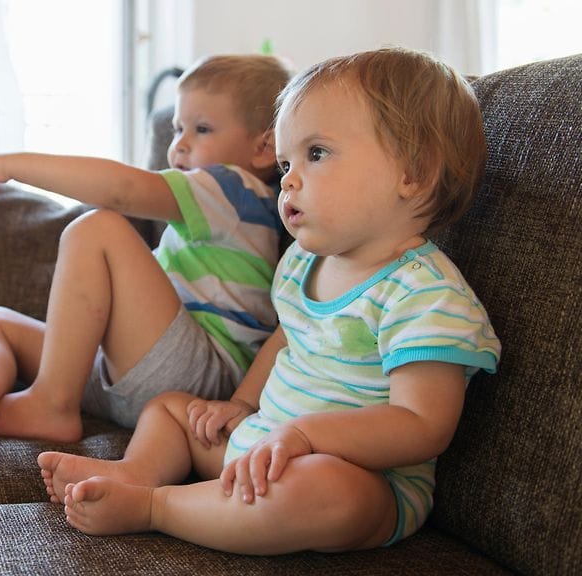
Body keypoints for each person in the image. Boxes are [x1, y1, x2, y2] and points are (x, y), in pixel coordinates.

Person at [37, 47, 501, 554]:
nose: (289, 180)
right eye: (285, 161)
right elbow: (284, 341)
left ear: (413, 171)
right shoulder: (304, 262)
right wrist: (239, 405)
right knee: (172, 409)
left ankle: (157, 506)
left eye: (316, 153)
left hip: (360, 478)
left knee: (328, 492)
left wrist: (306, 437)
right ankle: (135, 472)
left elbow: (422, 427)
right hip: (263, 439)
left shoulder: (426, 295)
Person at [0, 54, 292, 446]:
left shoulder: (235, 189)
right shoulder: (214, 204)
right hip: (136, 373)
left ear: (264, 147)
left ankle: (50, 403)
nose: (180, 144)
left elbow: (119, 189)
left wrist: (9, 165)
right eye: (178, 128)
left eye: (202, 128)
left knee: (99, 227)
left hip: (198, 380)